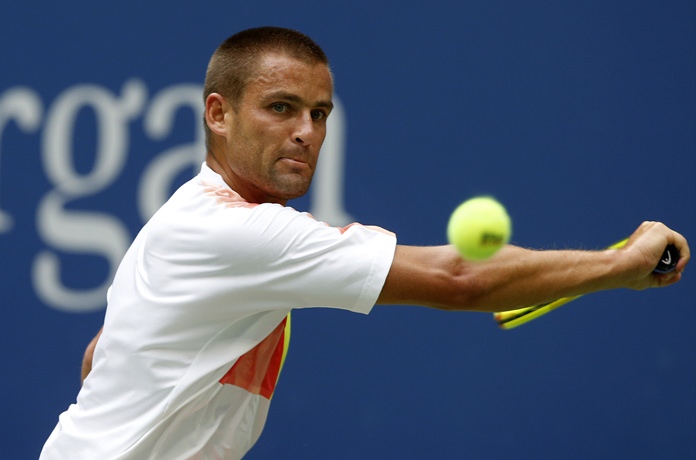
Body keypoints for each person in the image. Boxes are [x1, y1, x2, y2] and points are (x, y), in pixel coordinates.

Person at [40, 26, 690, 460]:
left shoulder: (195, 220)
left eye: (319, 114)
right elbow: (458, 279)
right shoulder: (234, 229)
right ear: (218, 113)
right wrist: (617, 266)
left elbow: (99, 360)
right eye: (281, 108)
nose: (306, 132)